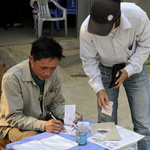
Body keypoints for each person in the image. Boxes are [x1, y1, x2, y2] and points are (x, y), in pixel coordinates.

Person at [80, 0, 150, 149]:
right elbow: (89, 60)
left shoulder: (137, 16)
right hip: (105, 69)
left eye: (104, 28)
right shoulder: (86, 28)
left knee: (143, 122)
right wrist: (98, 88)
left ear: (117, 20)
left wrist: (128, 70)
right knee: (106, 122)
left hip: (134, 67)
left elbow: (145, 46)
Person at [0, 36, 82, 142]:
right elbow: (13, 117)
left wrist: (69, 115)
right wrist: (43, 125)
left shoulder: (53, 74)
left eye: (53, 68)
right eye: (43, 68)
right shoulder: (12, 78)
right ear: (31, 59)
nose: (48, 73)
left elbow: (56, 104)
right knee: (36, 140)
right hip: (12, 126)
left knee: (73, 133)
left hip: (41, 120)